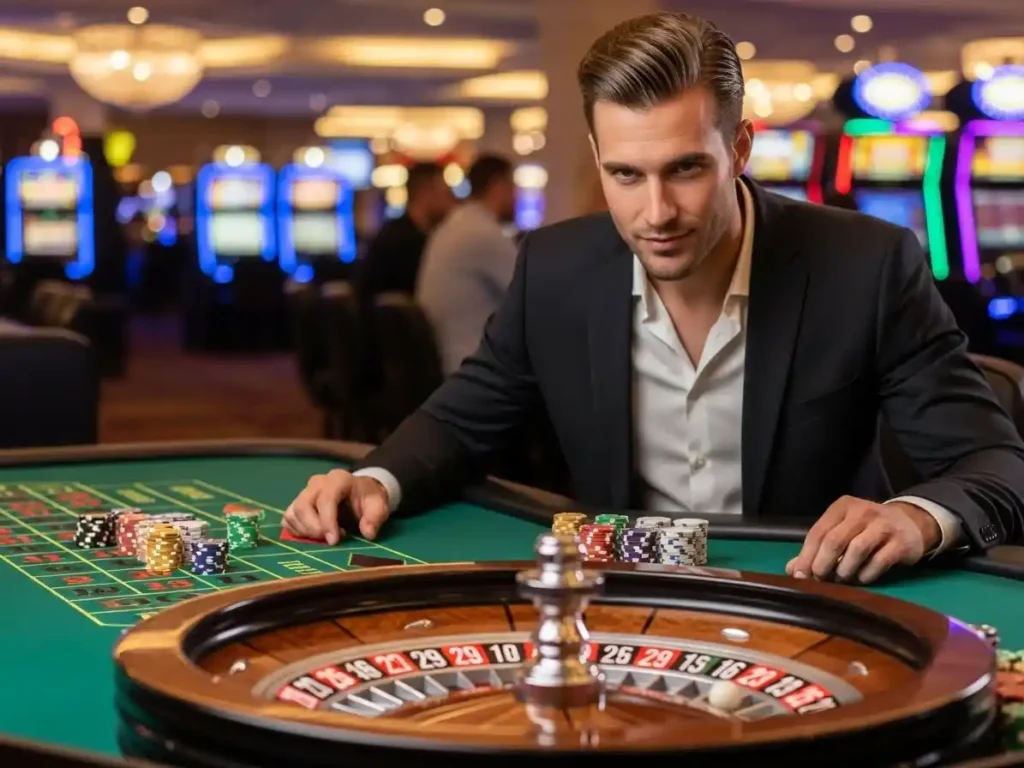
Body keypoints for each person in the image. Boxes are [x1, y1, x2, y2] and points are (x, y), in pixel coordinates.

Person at [285, 11, 1024, 585]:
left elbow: (997, 465)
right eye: (627, 175)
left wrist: (916, 518)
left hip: (809, 595)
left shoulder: (866, 264)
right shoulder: (555, 269)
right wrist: (373, 478)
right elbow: (461, 420)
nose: (656, 212)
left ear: (740, 148)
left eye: (686, 169)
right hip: (626, 600)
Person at [416, 154, 519, 375]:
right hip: (473, 369)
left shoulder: (451, 227)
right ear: (498, 186)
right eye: (513, 187)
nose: (517, 196)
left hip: (451, 364)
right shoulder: (481, 233)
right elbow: (539, 295)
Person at [353, 162, 454, 300]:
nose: (451, 202)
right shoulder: (410, 242)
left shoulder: (392, 231)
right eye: (446, 193)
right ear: (425, 193)